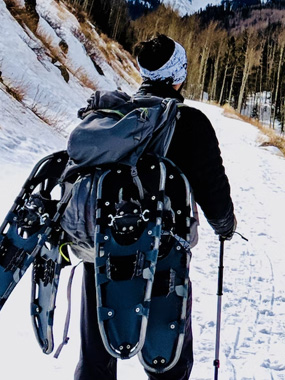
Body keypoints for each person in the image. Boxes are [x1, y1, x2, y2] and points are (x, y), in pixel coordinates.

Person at [74, 34, 236, 380]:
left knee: (96, 359)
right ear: (179, 74)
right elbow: (214, 191)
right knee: (167, 360)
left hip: (103, 254)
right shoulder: (190, 123)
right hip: (163, 259)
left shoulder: (116, 119)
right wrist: (225, 225)